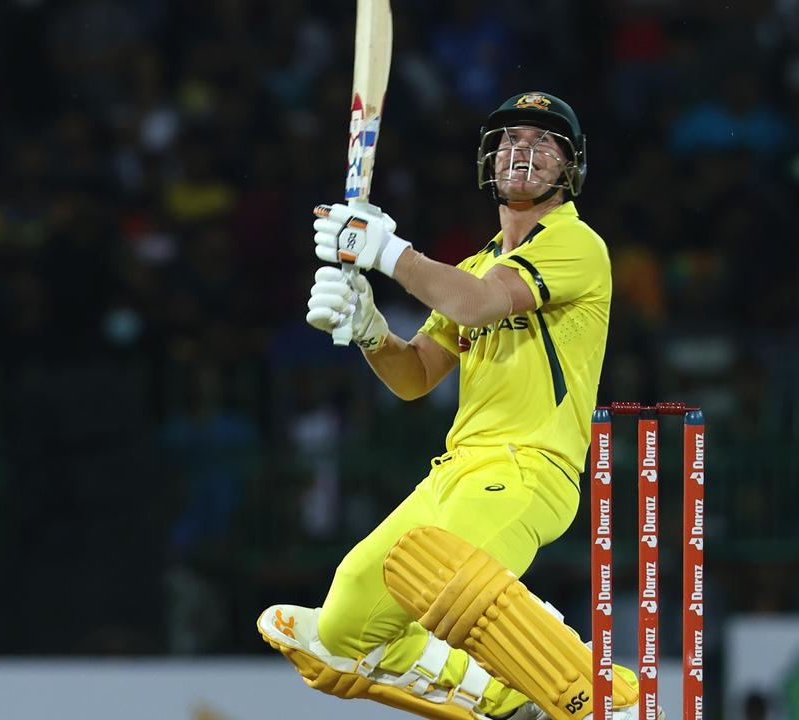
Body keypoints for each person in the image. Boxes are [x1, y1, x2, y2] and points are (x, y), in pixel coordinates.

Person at [257, 92, 655, 720]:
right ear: (488, 162)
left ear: (572, 168)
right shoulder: (474, 264)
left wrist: (388, 253)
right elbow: (415, 374)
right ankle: (503, 695)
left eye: (545, 140)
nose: (525, 149)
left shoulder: (577, 245)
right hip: (455, 472)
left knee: (437, 572)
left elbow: (475, 304)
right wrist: (368, 329)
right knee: (336, 640)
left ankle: (608, 701)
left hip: (526, 469)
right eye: (511, 138)